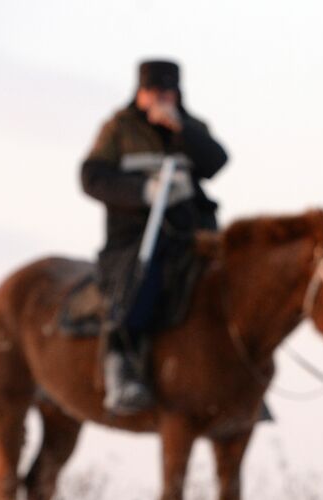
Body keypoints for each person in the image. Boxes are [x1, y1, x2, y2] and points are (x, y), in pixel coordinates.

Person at [81, 59, 228, 414]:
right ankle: (121, 365)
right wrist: (143, 191)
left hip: (192, 230)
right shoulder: (119, 128)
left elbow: (216, 161)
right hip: (135, 234)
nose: (160, 98)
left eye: (167, 91)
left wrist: (181, 131)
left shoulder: (191, 126)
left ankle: (234, 373)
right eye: (152, 92)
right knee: (140, 280)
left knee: (233, 279)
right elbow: (91, 177)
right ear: (140, 92)